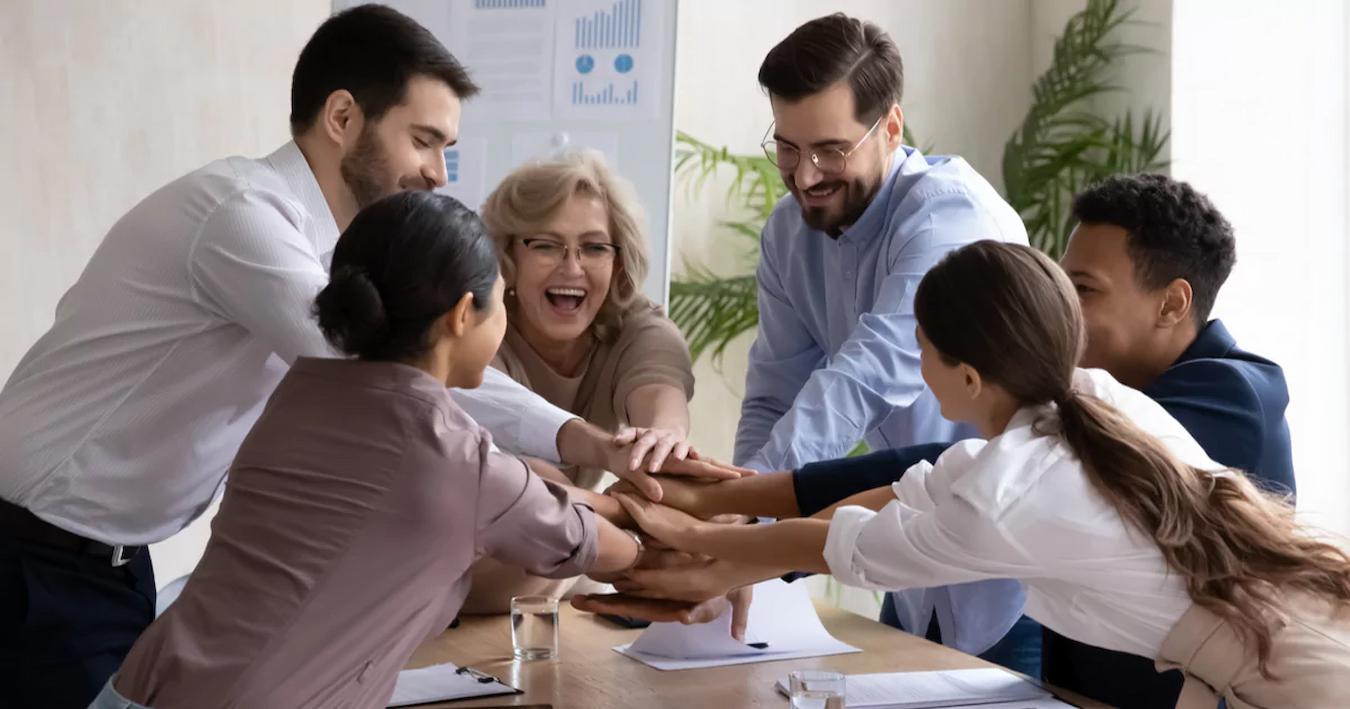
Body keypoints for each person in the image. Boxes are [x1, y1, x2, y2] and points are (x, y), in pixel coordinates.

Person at [0, 6, 731, 706]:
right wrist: (593, 458)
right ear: (343, 117)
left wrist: (590, 445)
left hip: (117, 561)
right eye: (424, 139)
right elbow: (401, 366)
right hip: (42, 554)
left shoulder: (333, 255)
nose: (439, 173)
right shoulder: (242, 219)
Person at [580, 175, 1297, 705]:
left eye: (1083, 288)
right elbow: (922, 480)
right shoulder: (1086, 400)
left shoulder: (1227, 396)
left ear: (1173, 301)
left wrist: (703, 534)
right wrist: (727, 501)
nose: (1062, 310)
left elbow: (872, 530)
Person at [88, 191, 645, 709]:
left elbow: (541, 500)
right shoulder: (450, 456)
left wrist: (606, 504)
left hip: (134, 688)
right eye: (501, 304)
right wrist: (673, 529)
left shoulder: (296, 397)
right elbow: (607, 548)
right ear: (461, 315)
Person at [731, 12, 1034, 671]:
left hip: (1013, 583)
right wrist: (734, 506)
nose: (805, 174)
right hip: (917, 571)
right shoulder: (788, 235)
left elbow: (867, 377)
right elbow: (774, 397)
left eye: (831, 150)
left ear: (890, 127)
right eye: (786, 146)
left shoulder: (952, 216)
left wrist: (731, 527)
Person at [460, 150, 698, 612]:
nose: (572, 268)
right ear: (507, 256)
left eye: (593, 247)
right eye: (546, 245)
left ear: (618, 259)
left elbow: (662, 422)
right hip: (454, 593)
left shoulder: (639, 327)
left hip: (558, 583)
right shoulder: (472, 330)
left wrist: (660, 447)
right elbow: (528, 487)